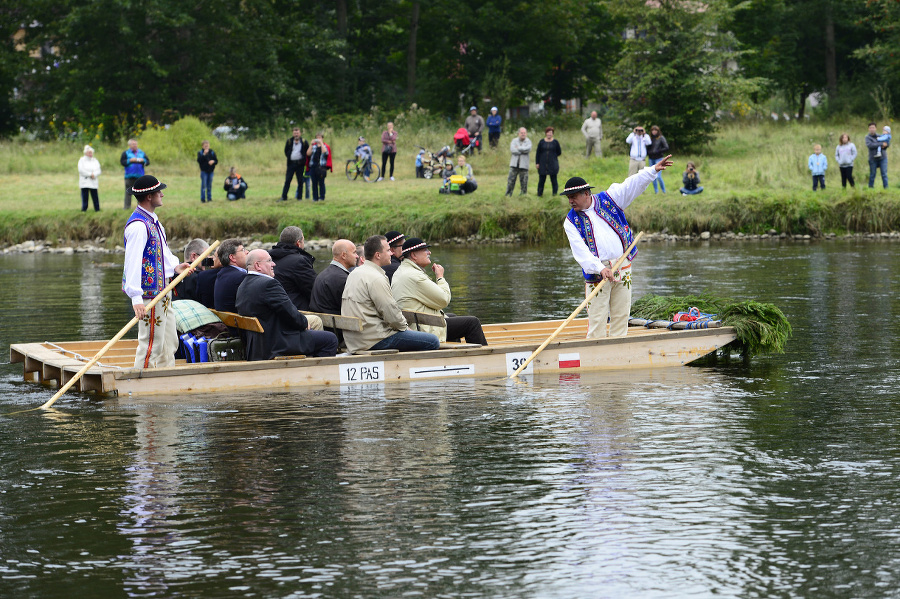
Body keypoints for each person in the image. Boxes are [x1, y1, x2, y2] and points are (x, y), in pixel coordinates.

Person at [562, 155, 673, 339]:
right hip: (598, 271)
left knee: (621, 314)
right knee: (597, 316)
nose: (570, 201)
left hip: (623, 264)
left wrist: (652, 170)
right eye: (568, 198)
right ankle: (595, 350)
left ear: (586, 194)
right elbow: (580, 252)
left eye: (573, 197)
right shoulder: (570, 221)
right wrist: (600, 268)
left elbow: (632, 185)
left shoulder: (609, 198)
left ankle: (617, 347)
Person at [122, 175, 191, 368]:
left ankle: (163, 381)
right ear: (149, 197)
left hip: (164, 290)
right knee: (151, 344)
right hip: (149, 294)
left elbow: (161, 251)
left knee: (169, 342)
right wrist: (136, 297)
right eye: (158, 191)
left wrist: (175, 267)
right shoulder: (138, 226)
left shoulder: (153, 222)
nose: (162, 194)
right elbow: (133, 262)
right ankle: (141, 385)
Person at [341, 235, 441, 354]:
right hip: (374, 340)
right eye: (388, 250)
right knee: (433, 341)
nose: (392, 254)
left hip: (355, 340)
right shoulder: (376, 277)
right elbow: (390, 312)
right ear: (378, 255)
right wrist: (405, 328)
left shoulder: (355, 273)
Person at [236, 249, 339, 360]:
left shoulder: (243, 285)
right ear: (258, 265)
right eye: (269, 261)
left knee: (314, 332)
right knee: (330, 339)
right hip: (277, 343)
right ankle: (316, 375)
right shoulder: (269, 284)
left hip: (258, 345)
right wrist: (304, 324)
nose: (273, 264)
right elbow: (289, 312)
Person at [391, 237, 487, 345]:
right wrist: (440, 277)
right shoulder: (414, 276)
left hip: (414, 323)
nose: (429, 252)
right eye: (425, 250)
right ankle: (485, 358)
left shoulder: (402, 271)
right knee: (472, 323)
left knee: (452, 317)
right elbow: (444, 300)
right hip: (421, 329)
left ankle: (454, 357)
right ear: (413, 255)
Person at [270, 226, 317, 310]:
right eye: (303, 241)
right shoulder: (299, 261)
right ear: (298, 243)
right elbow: (314, 289)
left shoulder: (268, 256)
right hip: (294, 311)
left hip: (273, 307)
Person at [310, 239, 358, 315]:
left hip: (322, 324)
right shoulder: (344, 279)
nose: (357, 256)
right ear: (344, 255)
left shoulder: (321, 275)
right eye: (354, 252)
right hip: (337, 325)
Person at [213, 238, 249, 314]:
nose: (247, 252)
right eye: (243, 250)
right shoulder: (241, 277)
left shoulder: (222, 275)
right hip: (240, 324)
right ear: (232, 257)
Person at [173, 238, 211, 302]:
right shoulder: (200, 278)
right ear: (193, 256)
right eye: (206, 259)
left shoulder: (171, 274)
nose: (208, 263)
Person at [120, 138, 150, 210]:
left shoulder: (141, 153)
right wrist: (130, 160)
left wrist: (143, 161)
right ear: (129, 145)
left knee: (141, 193)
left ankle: (141, 208)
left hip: (140, 176)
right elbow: (122, 162)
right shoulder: (126, 153)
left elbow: (148, 162)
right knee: (128, 192)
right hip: (129, 176)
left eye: (136, 144)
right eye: (133, 144)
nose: (135, 145)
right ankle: (127, 208)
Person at [281, 127, 308, 202]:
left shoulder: (304, 142)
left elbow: (307, 151)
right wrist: (290, 156)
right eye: (295, 133)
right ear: (293, 134)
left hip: (300, 164)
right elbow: (286, 151)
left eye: (297, 133)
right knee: (287, 180)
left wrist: (303, 160)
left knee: (300, 181)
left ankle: (299, 198)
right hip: (291, 164)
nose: (296, 134)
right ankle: (284, 196)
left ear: (300, 133)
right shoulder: (289, 141)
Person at [535, 127, 562, 197]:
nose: (549, 134)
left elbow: (559, 152)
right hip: (542, 164)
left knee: (554, 180)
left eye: (551, 133)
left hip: (553, 164)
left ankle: (554, 194)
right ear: (546, 133)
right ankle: (539, 194)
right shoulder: (541, 142)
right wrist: (537, 163)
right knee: (541, 180)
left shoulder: (555, 142)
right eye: (548, 132)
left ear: (553, 134)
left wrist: (552, 156)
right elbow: (538, 153)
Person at [507, 127, 532, 196]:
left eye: (524, 133)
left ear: (526, 134)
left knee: (524, 181)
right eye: (521, 133)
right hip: (514, 164)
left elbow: (528, 149)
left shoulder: (528, 141)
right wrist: (522, 150)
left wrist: (518, 148)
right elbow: (513, 150)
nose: (523, 134)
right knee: (510, 180)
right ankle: (508, 194)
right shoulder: (514, 141)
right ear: (518, 133)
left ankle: (523, 195)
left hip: (524, 165)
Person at [307, 133, 331, 202]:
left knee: (321, 182)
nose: (318, 139)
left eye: (320, 137)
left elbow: (325, 152)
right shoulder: (314, 146)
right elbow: (308, 154)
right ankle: (315, 197)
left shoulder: (325, 146)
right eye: (317, 138)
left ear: (322, 138)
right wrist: (311, 145)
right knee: (314, 182)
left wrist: (321, 143)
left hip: (321, 166)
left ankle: (322, 197)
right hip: (313, 166)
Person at [77, 144, 101, 212]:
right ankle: (84, 209)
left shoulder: (95, 160)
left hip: (93, 181)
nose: (90, 154)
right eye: (89, 153)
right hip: (85, 182)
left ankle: (97, 209)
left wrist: (94, 174)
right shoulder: (82, 160)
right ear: (86, 153)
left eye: (91, 152)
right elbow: (81, 170)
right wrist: (90, 174)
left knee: (95, 196)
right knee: (85, 196)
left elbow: (98, 170)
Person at [865, 122, 889, 189]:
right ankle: (870, 188)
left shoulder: (880, 136)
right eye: (870, 128)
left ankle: (886, 188)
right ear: (868, 129)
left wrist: (885, 145)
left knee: (884, 174)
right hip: (873, 158)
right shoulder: (867, 137)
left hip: (882, 158)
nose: (872, 129)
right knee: (872, 174)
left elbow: (886, 143)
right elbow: (870, 145)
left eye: (873, 127)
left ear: (875, 128)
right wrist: (881, 144)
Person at [647, 125, 669, 194]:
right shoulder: (649, 138)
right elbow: (647, 148)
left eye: (655, 130)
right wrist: (649, 152)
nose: (654, 132)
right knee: (653, 176)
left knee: (658, 176)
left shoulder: (661, 138)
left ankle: (663, 191)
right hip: (651, 158)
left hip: (659, 158)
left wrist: (658, 151)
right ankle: (656, 191)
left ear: (658, 131)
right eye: (653, 130)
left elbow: (666, 147)